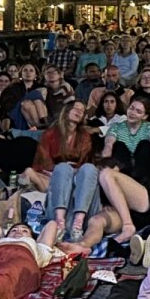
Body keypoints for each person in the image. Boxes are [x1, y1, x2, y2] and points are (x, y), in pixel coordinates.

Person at [42, 101, 100, 242]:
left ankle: (78, 223)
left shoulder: (85, 136)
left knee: (89, 169)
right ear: (66, 110)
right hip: (56, 178)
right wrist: (60, 172)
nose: (79, 111)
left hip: (80, 180)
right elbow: (42, 163)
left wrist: (74, 173)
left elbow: (86, 163)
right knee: (62, 168)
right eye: (76, 108)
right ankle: (59, 223)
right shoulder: (50, 134)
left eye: (82, 110)